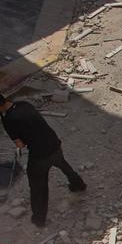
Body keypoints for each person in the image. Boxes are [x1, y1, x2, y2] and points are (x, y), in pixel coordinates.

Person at [0, 93, 86, 230]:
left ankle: (39, 219)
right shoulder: (24, 104)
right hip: (54, 143)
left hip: (40, 155)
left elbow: (20, 145)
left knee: (37, 187)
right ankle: (78, 184)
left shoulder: (8, 120)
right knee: (62, 163)